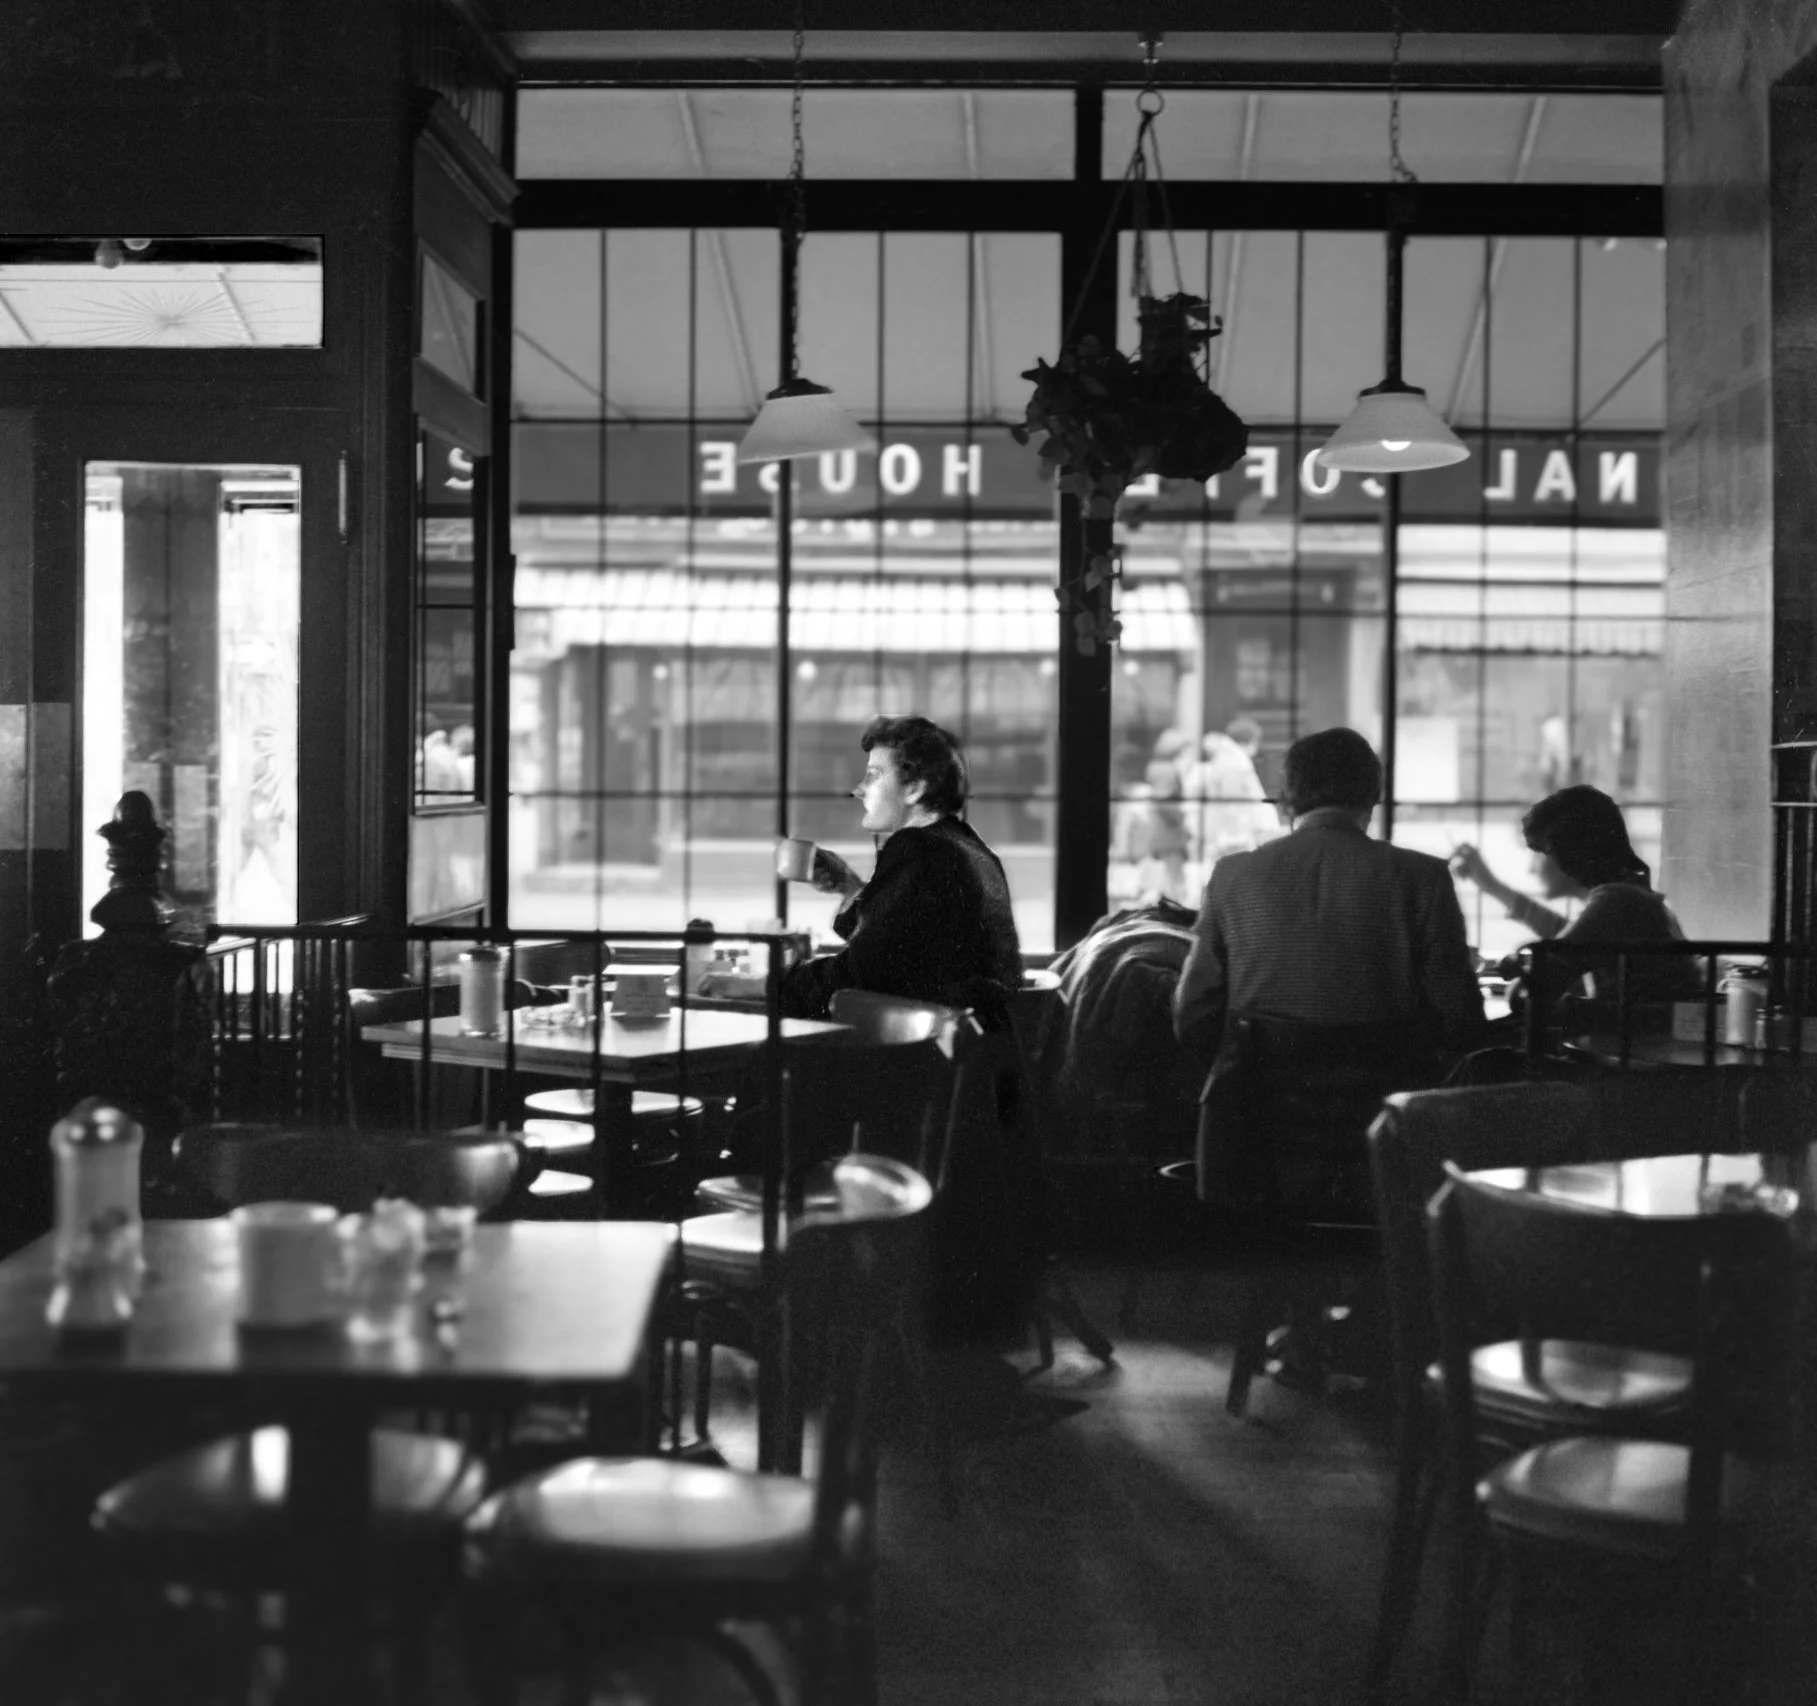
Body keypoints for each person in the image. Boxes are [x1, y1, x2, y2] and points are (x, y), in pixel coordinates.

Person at [1174, 727, 1484, 1062]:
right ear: (1373, 796)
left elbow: (1192, 1013)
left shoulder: (1232, 877)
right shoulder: (1423, 879)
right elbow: (1459, 1018)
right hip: (1384, 1099)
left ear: (1286, 799)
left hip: (1259, 1101)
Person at [703, 714, 1023, 1031]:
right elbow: (895, 945)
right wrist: (848, 885)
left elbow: (859, 974)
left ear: (913, 788)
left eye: (873, 775)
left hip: (925, 1061)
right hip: (973, 1055)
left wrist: (761, 985)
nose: (859, 790)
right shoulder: (969, 847)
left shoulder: (917, 848)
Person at [1448, 783, 1696, 1012]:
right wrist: (1491, 886)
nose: (1531, 869)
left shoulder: (1615, 902)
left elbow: (1526, 995)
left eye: (1540, 853)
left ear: (1567, 853)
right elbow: (1562, 933)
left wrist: (1523, 976)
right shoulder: (1632, 897)